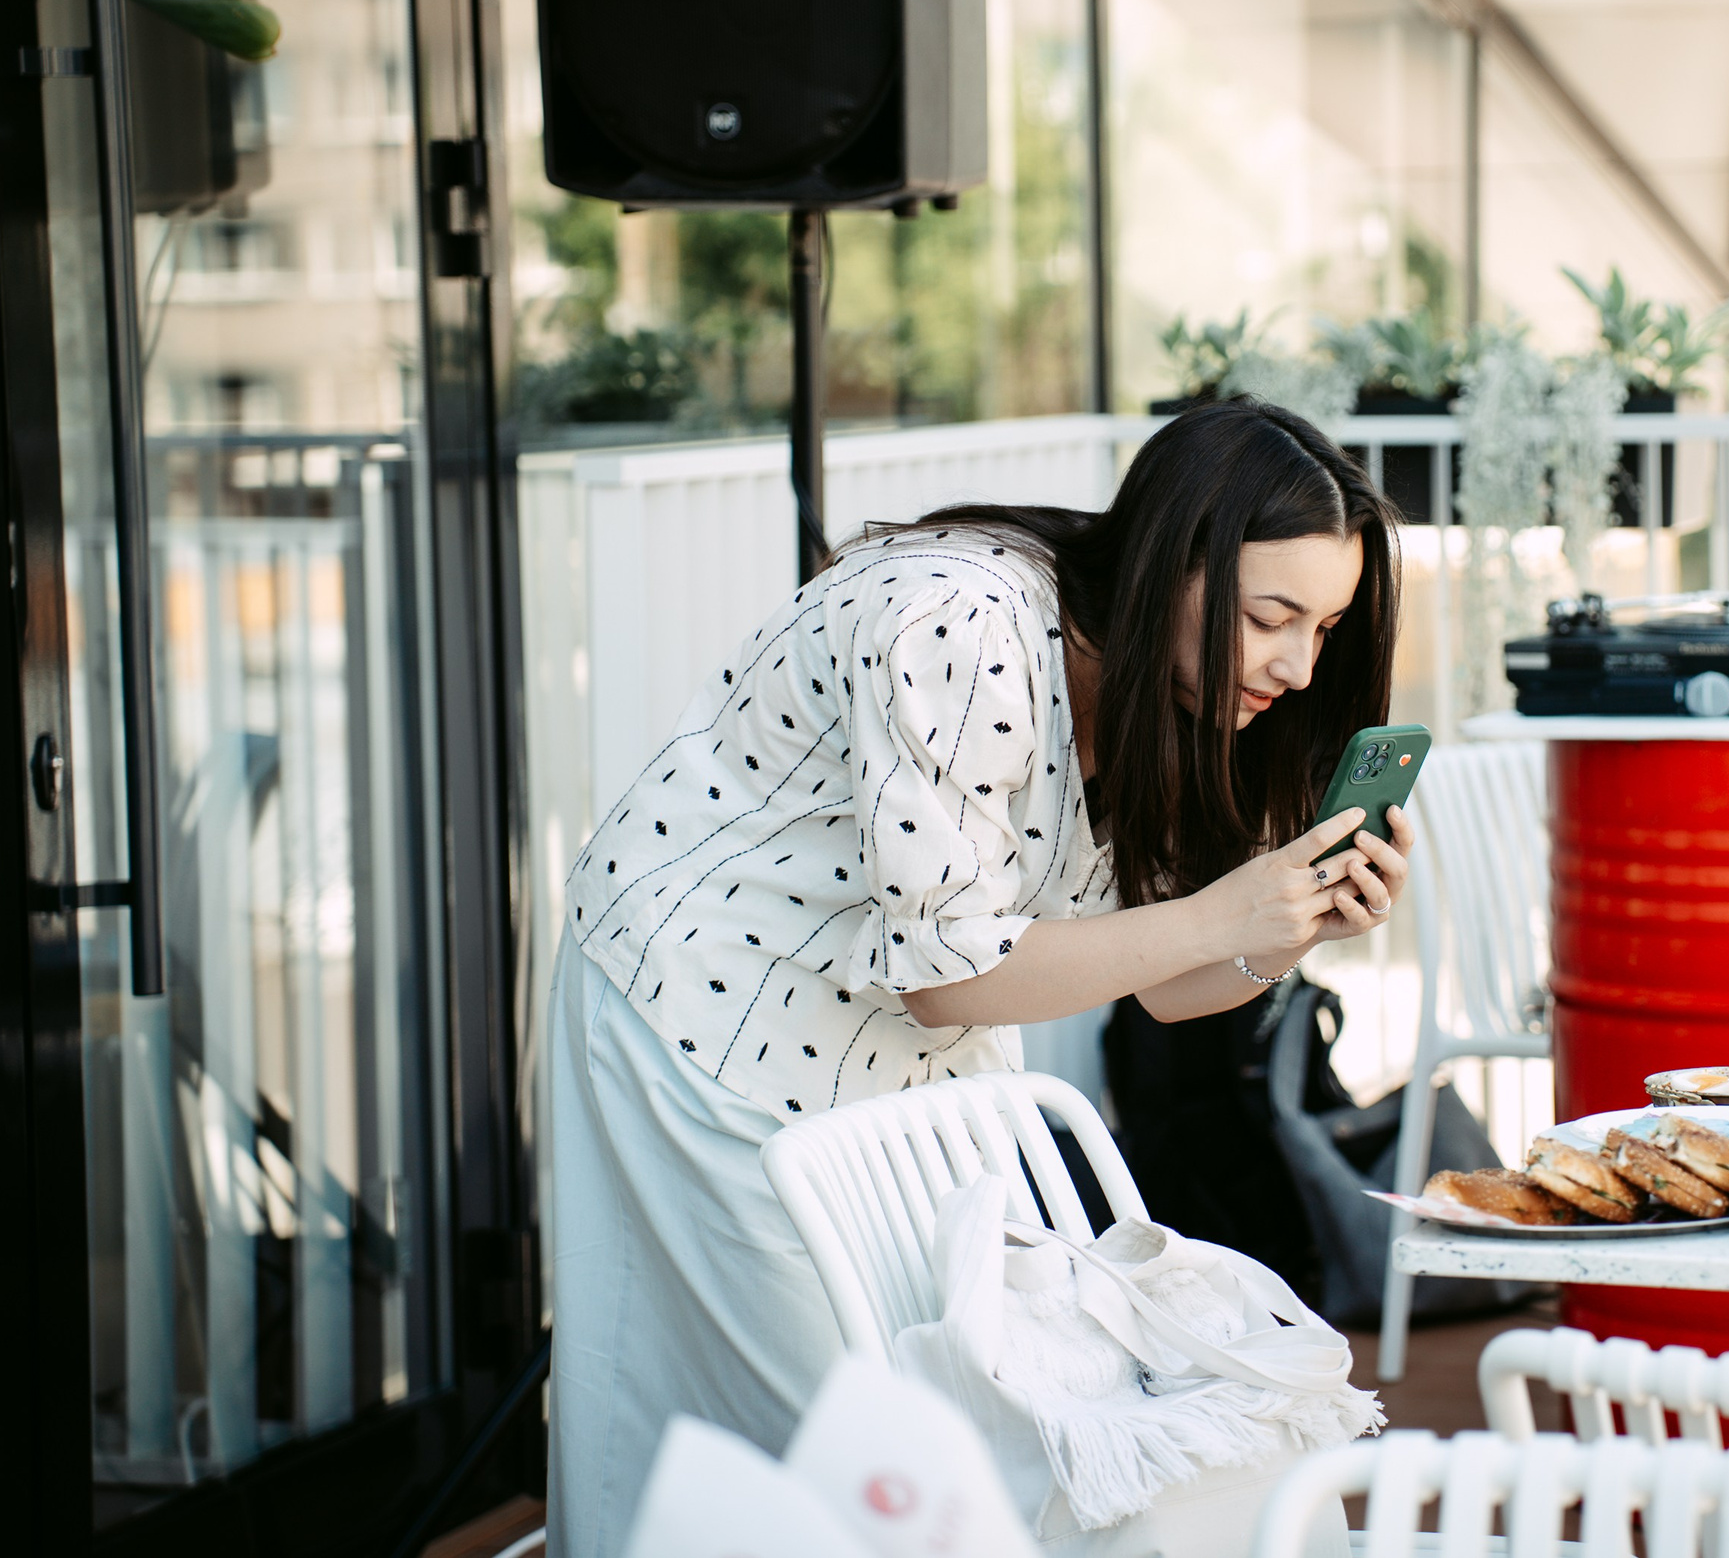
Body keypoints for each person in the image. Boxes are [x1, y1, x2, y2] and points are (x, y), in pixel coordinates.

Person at [544, 399, 1411, 1555]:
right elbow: (949, 974)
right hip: (712, 1004)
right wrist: (1216, 913)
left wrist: (1283, 928)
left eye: (1326, 626)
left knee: (931, 1421)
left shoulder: (1159, 678)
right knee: (835, 1431)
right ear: (1176, 564)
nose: (1299, 667)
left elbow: (1160, 983)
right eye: (1272, 617)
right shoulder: (957, 623)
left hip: (900, 1053)